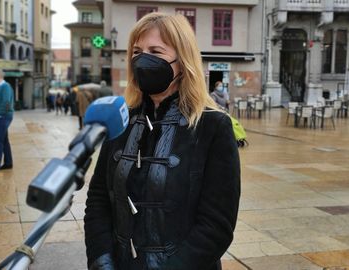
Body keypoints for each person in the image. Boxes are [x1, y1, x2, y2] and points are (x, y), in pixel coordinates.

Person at [84, 13, 241, 270]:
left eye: (155, 51)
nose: (142, 59)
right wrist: (101, 261)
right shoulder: (120, 119)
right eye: (137, 51)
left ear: (182, 61)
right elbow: (98, 199)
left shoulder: (213, 126)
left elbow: (217, 225)